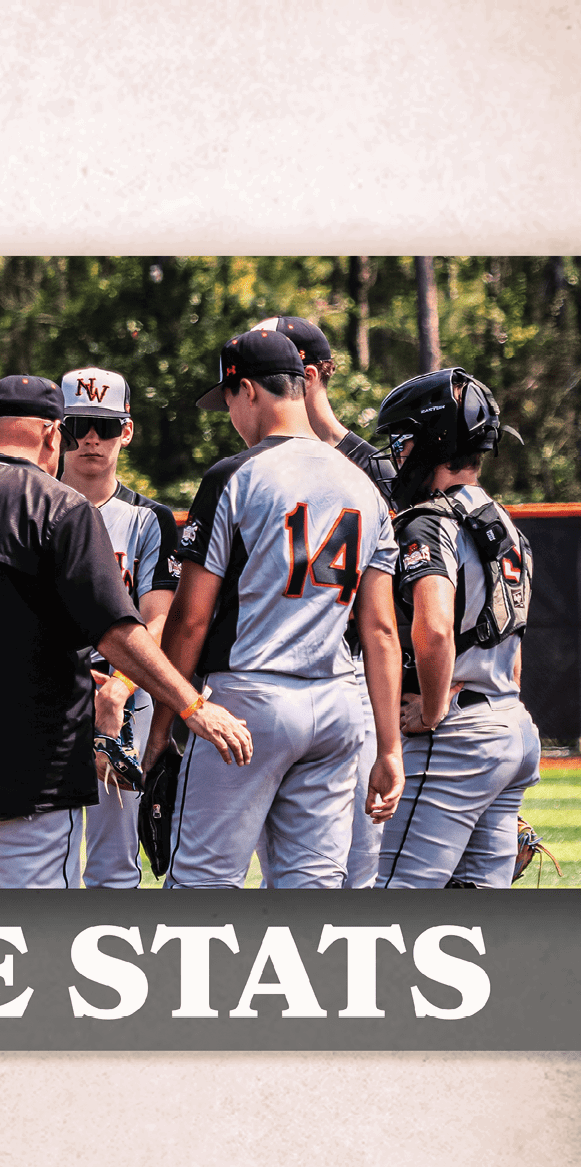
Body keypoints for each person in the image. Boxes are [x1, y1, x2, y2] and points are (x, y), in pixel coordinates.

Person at [0, 374, 253, 889]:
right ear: (54, 436)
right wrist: (192, 705)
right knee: (40, 924)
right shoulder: (59, 507)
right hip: (34, 759)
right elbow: (116, 630)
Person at [142, 329, 404, 888]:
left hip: (248, 703)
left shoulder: (234, 475)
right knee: (312, 888)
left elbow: (190, 621)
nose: (230, 413)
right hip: (337, 705)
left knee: (202, 882)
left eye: (229, 398)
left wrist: (164, 722)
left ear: (250, 391)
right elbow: (380, 630)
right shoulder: (362, 483)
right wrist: (389, 747)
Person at [0, 364, 181, 888]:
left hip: (124, 695)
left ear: (125, 431)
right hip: (39, 695)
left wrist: (123, 690)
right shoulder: (21, 504)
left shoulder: (149, 519)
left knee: (113, 864)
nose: (90, 438)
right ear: (57, 429)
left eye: (105, 425)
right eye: (80, 423)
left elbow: (158, 618)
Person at [373, 367, 540, 888]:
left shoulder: (427, 521)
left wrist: (433, 705)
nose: (396, 454)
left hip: (456, 736)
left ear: (429, 444)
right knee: (474, 908)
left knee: (392, 903)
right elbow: (512, 645)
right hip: (509, 721)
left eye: (403, 441)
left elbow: (436, 628)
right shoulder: (507, 523)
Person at [250, 315, 397, 888]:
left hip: (350, 681)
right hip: (271, 679)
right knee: (286, 865)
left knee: (353, 867)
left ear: (305, 374)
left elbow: (396, 608)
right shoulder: (258, 465)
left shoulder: (372, 470)